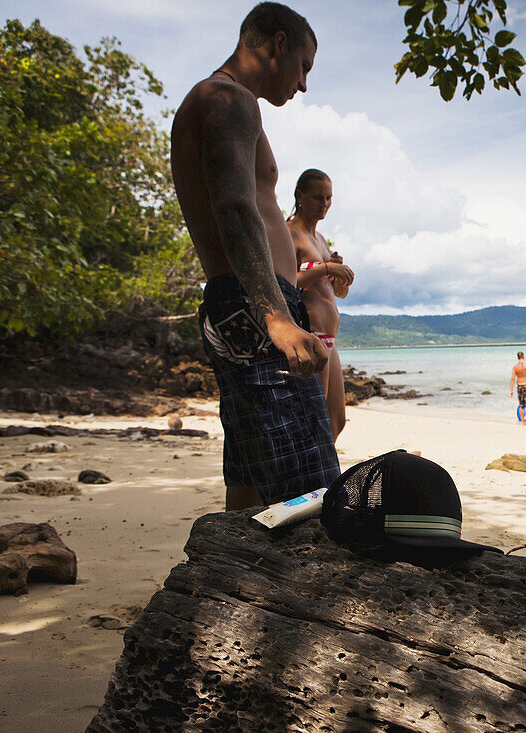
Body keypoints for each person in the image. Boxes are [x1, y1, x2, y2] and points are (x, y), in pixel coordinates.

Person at [170, 2, 339, 510]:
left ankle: (221, 579)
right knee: (309, 485)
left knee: (249, 482)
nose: (304, 84)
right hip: (254, 305)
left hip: (239, 303)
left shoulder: (216, 99)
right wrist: (276, 317)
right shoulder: (228, 98)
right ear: (277, 44)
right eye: (304, 66)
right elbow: (236, 208)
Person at [288, 168, 354, 441]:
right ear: (299, 196)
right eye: (318, 198)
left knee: (336, 421)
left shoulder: (321, 240)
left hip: (330, 338)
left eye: (328, 198)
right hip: (309, 335)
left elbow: (337, 295)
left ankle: (323, 478)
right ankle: (314, 481)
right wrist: (327, 267)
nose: (324, 205)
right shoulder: (288, 232)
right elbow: (288, 280)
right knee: (313, 423)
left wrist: (338, 278)